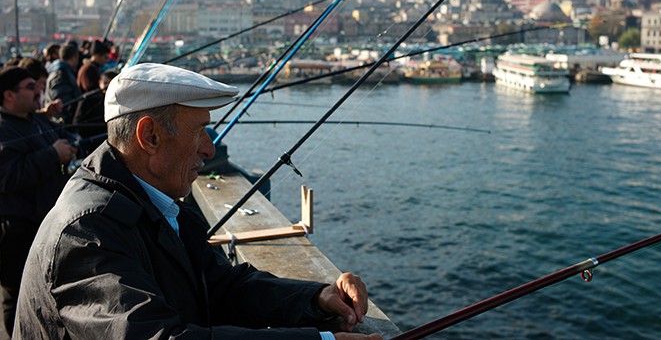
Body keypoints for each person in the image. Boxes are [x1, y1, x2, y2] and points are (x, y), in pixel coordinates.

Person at [14, 63, 382, 340]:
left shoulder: (153, 201)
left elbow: (222, 285)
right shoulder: (87, 231)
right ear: (150, 136)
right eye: (199, 131)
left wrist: (316, 297)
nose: (209, 149)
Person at [0, 67, 77, 337]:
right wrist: (52, 155)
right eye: (30, 87)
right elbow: (8, 177)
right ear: (9, 95)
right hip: (16, 233)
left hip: (42, 226)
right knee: (18, 294)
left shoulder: (34, 120)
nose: (38, 91)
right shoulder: (4, 129)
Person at [44, 43, 81, 122]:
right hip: (62, 123)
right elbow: (62, 102)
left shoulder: (61, 71)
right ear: (74, 57)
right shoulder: (61, 74)